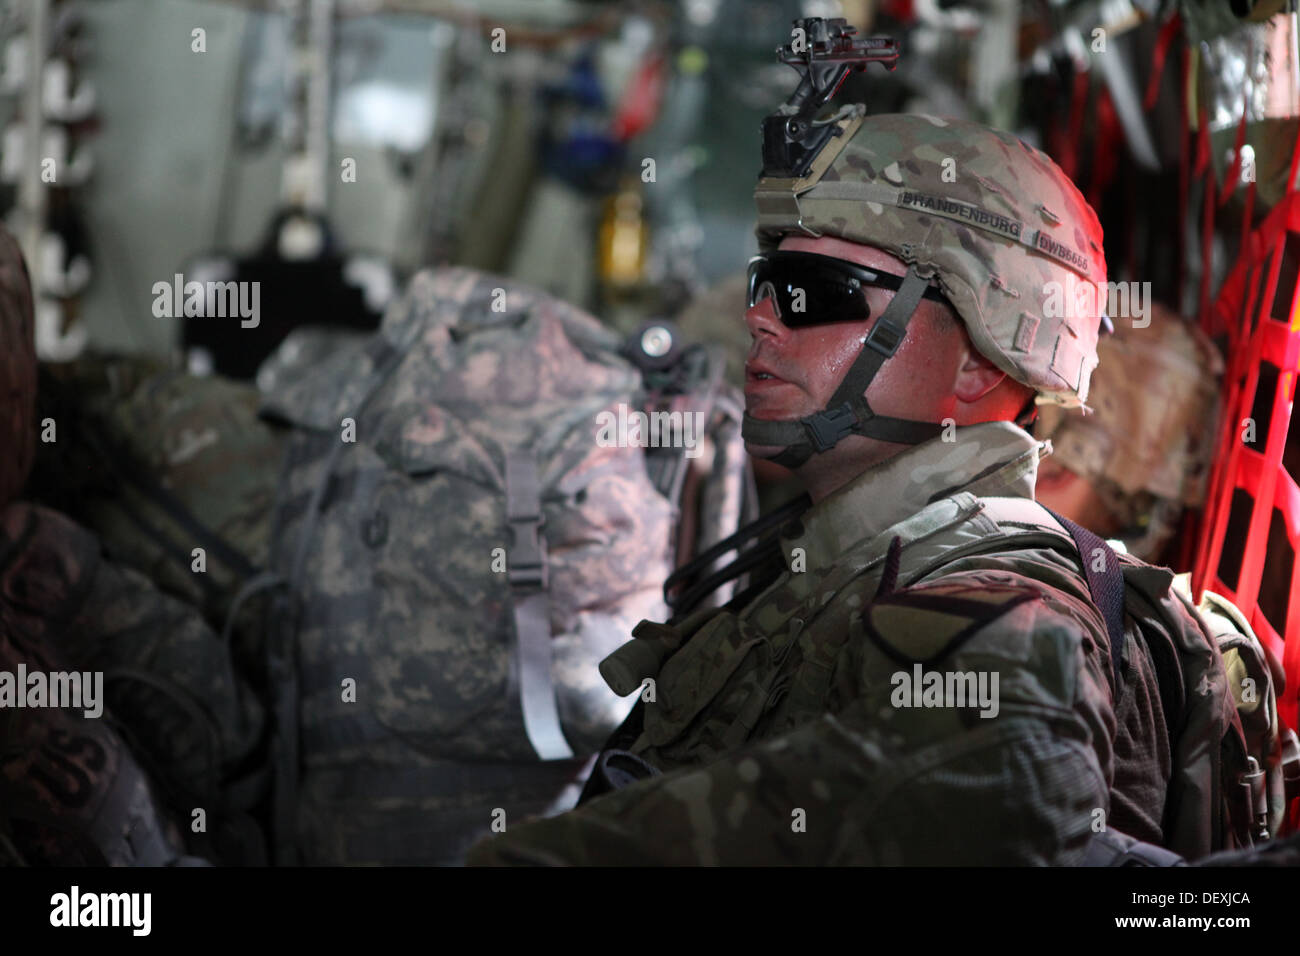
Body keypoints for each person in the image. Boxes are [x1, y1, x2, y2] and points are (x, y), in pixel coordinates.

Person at [466, 110, 1243, 865]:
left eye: (816, 293)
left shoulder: (994, 598)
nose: (763, 320)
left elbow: (1001, 778)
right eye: (765, 285)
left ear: (979, 360)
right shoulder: (847, 551)